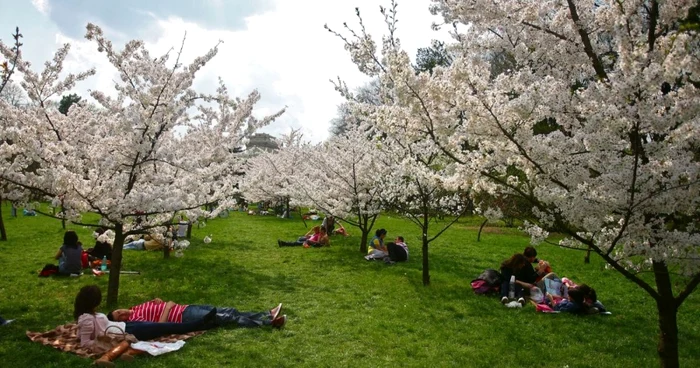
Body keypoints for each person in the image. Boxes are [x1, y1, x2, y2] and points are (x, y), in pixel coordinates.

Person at [74, 285, 215, 366]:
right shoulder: (86, 319)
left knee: (161, 328)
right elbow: (85, 342)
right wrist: (102, 339)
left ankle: (202, 323)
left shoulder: (91, 315)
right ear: (93, 301)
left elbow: (81, 334)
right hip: (128, 331)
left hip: (129, 326)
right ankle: (200, 324)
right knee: (166, 327)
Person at [107, 298, 286, 328]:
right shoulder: (135, 318)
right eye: (119, 318)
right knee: (225, 318)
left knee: (229, 310)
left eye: (118, 312)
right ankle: (268, 322)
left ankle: (266, 313)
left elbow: (156, 307)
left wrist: (159, 302)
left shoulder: (136, 308)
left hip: (186, 307)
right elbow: (158, 326)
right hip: (182, 316)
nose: (122, 314)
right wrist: (167, 308)